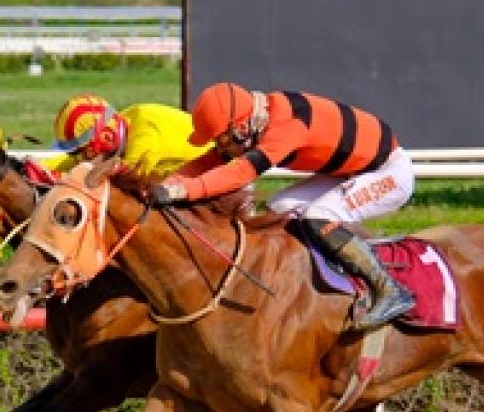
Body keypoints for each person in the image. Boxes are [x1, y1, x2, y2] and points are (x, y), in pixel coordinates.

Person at [149, 82, 417, 331]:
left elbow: (241, 173)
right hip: (352, 170)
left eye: (222, 140)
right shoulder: (254, 120)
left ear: (240, 128)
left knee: (318, 216)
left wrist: (184, 190)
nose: (220, 148)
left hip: (387, 173)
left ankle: (389, 290)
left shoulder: (286, 127)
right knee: (280, 207)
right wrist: (166, 183)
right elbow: (209, 162)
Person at [45, 93, 211, 181]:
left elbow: (102, 178)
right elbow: (79, 164)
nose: (78, 158)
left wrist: (61, 177)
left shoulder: (142, 144)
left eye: (78, 152)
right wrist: (43, 167)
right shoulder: (121, 122)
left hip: (217, 180)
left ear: (107, 138)